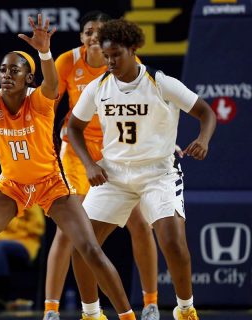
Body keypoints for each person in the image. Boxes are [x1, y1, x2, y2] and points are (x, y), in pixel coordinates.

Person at [0, 12, 136, 320]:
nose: (5, 74)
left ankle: (127, 316)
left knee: (89, 249)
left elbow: (53, 82)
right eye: (2, 69)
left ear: (28, 78)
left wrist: (45, 52)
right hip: (12, 187)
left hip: (50, 185)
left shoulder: (41, 102)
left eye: (14, 70)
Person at [67, 19, 216, 320]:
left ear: (133, 49)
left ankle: (185, 309)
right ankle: (91, 314)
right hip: (114, 174)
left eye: (116, 55)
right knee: (81, 244)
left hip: (158, 172)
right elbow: (73, 128)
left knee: (172, 242)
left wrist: (203, 139)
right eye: (106, 56)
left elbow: (206, 113)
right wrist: (89, 163)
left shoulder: (161, 83)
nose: (109, 62)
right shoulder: (98, 87)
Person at [45, 11, 159, 320]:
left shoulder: (124, 62)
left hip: (116, 151)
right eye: (88, 31)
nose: (94, 36)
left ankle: (150, 304)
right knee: (68, 228)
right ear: (81, 38)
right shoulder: (68, 62)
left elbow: (146, 107)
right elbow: (47, 106)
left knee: (139, 222)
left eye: (100, 31)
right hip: (77, 151)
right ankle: (51, 310)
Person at [0, 203, 45, 308]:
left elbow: (38, 227)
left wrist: (12, 224)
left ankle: (1, 295)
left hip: (24, 243)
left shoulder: (29, 201)